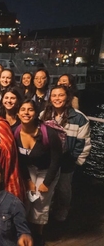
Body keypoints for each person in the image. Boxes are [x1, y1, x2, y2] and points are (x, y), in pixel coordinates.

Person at [40, 85, 91, 222]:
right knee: (48, 187)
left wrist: (75, 161)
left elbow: (84, 143)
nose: (57, 98)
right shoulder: (44, 115)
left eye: (61, 95)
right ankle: (47, 212)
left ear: (67, 97)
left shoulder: (79, 118)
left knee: (63, 189)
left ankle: (62, 211)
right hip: (48, 161)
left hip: (66, 161)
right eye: (54, 95)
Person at [15, 99, 62, 244]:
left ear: (36, 113)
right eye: (23, 109)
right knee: (28, 199)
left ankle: (39, 234)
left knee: (41, 201)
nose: (26, 113)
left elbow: (56, 160)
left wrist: (46, 182)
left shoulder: (49, 133)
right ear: (18, 113)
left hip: (47, 169)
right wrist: (28, 180)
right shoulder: (16, 132)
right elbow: (20, 160)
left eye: (30, 110)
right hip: (29, 169)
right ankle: (26, 231)